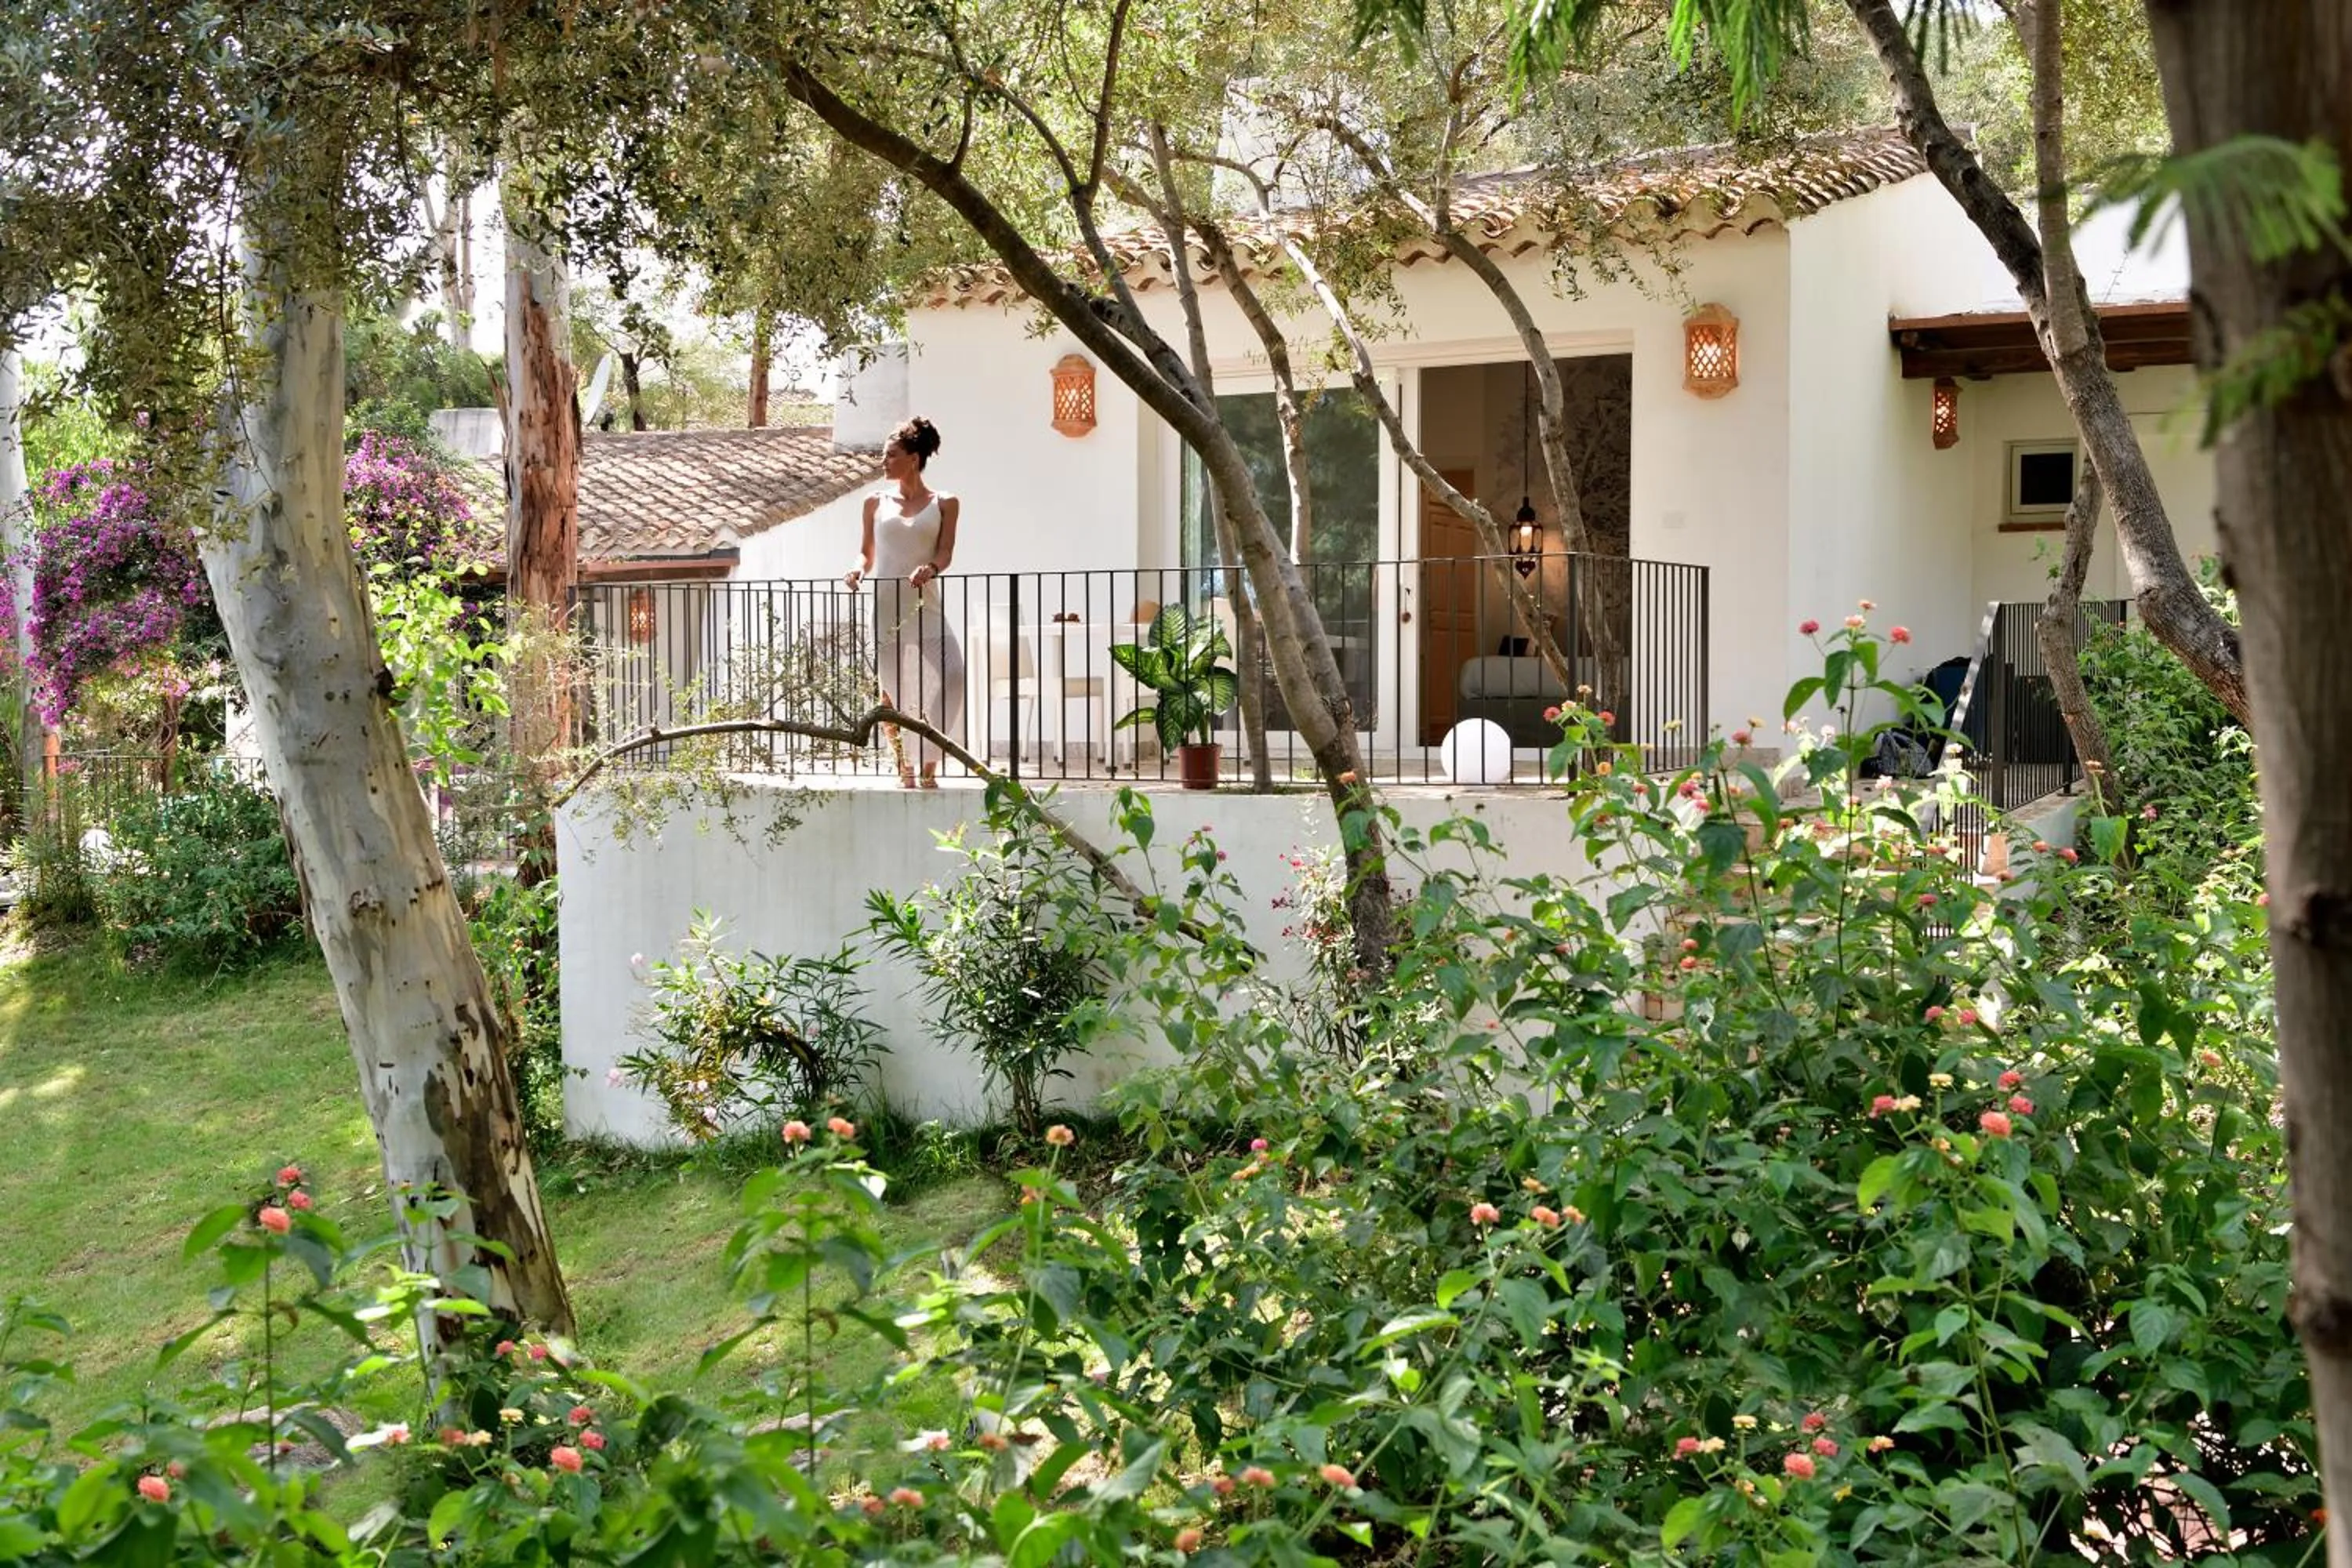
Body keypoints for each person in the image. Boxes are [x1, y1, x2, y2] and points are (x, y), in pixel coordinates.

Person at [844, 416, 964, 788]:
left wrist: (930, 568)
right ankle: (905, 767)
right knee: (892, 695)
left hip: (925, 606)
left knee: (954, 676)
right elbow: (866, 553)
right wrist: (856, 571)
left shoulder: (945, 503)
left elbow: (945, 554)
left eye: (890, 455)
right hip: (885, 608)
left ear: (913, 459)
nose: (884, 462)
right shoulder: (873, 502)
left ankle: (930, 759)